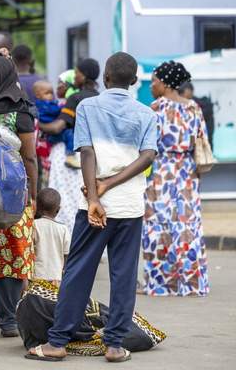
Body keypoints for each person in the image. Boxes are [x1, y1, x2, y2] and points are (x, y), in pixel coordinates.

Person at [28, 52, 157, 363]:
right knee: (123, 275)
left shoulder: (88, 106)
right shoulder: (146, 114)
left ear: (107, 79)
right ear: (134, 82)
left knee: (78, 271)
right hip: (129, 206)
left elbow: (87, 152)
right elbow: (148, 156)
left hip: (96, 207)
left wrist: (96, 197)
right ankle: (114, 346)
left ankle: (56, 343)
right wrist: (111, 185)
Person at [143, 61, 209, 297]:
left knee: (158, 225)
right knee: (186, 225)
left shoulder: (155, 108)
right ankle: (191, 282)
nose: (152, 86)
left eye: (154, 81)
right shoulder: (194, 108)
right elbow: (201, 141)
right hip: (188, 172)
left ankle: (160, 283)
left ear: (165, 83)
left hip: (161, 170)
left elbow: (147, 144)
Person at [0, 50, 38, 339]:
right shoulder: (20, 111)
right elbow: (29, 158)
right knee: (11, 255)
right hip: (12, 193)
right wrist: (34, 194)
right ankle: (8, 319)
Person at [39, 59, 100, 232]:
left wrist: (36, 124)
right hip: (96, 156)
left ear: (85, 75)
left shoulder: (76, 98)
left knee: (67, 198)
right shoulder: (99, 98)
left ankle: (68, 238)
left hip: (74, 155)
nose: (75, 75)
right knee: (87, 197)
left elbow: (59, 126)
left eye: (77, 72)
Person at [33, 188, 71, 286]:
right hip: (56, 277)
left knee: (36, 301)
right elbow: (66, 254)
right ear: (58, 210)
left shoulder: (34, 225)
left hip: (36, 276)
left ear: (37, 207)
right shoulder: (63, 229)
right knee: (52, 301)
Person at [179, 81, 215, 149]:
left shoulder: (195, 104)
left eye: (182, 92)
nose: (181, 96)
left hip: (205, 131)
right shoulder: (189, 103)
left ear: (189, 91)